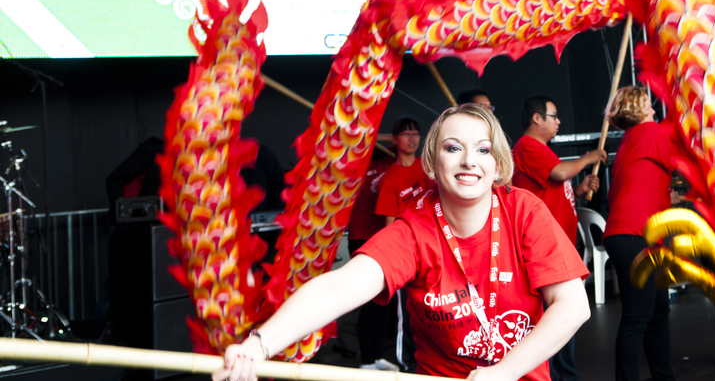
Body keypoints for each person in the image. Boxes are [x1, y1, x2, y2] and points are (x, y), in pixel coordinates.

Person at [215, 104, 591, 381]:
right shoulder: (414, 231)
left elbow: (573, 305)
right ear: (432, 163)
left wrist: (504, 372)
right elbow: (337, 289)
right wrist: (258, 345)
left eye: (483, 149)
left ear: (498, 164)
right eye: (452, 148)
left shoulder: (524, 211)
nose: (468, 161)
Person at [511, 94, 605, 381]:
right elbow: (560, 171)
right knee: (559, 316)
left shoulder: (540, 149)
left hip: (558, 246)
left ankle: (563, 373)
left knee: (564, 314)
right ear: (536, 118)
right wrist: (589, 158)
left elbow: (552, 189)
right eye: (553, 116)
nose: (559, 121)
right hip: (546, 249)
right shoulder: (528, 146)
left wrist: (578, 190)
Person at [602, 86, 678, 381]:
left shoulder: (633, 138)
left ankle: (664, 377)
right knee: (638, 318)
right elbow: (683, 159)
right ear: (637, 108)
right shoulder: (651, 132)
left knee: (657, 315)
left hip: (632, 235)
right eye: (648, 103)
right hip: (634, 234)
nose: (654, 109)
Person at [375, 116, 430, 371]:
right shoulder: (390, 179)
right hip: (407, 253)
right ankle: (407, 365)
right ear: (395, 140)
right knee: (406, 315)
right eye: (406, 134)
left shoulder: (427, 167)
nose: (412, 138)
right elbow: (389, 224)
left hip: (434, 246)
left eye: (415, 133)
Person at [346, 138, 397, 371]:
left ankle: (377, 356)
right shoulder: (355, 164)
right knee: (368, 301)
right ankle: (366, 361)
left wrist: (380, 137)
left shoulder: (388, 159)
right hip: (361, 238)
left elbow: (399, 141)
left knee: (384, 301)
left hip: (384, 236)